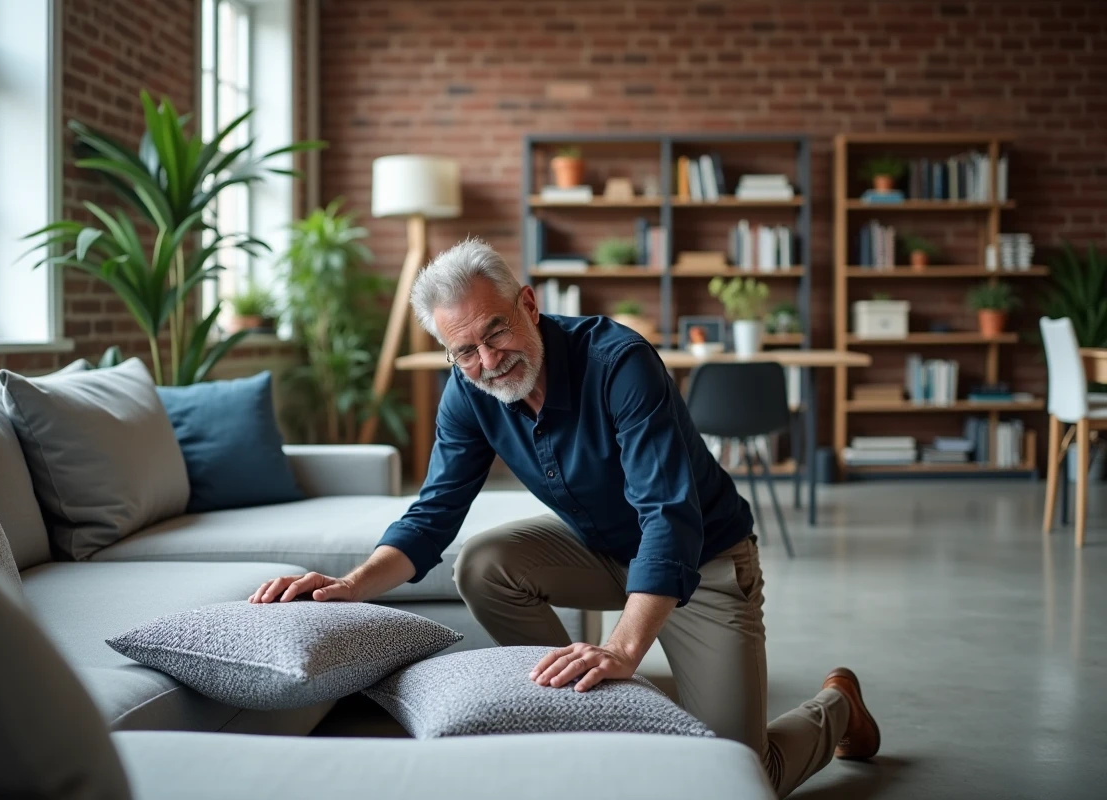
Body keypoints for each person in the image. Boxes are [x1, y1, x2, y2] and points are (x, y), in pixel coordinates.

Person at [250, 239, 879, 798]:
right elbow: (434, 512)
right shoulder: (469, 392)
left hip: (703, 560)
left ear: (528, 303)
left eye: (495, 332)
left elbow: (668, 515)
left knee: (739, 778)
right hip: (603, 550)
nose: (488, 360)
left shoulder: (619, 363)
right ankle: (590, 708)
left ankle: (838, 709)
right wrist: (349, 587)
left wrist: (623, 647)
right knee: (484, 563)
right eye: (463, 351)